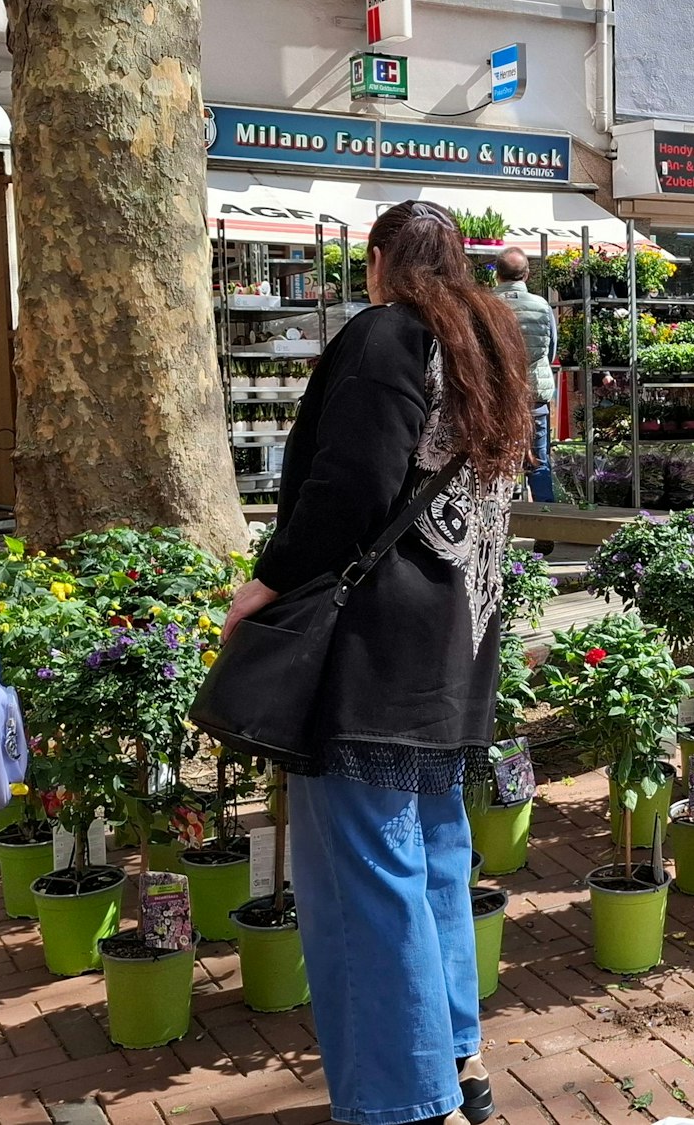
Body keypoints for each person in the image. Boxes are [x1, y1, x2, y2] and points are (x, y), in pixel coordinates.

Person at [225, 201, 531, 1125]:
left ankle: (406, 1102)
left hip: (369, 650)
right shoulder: (490, 342)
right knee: (433, 863)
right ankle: (458, 1062)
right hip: (454, 646)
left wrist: (267, 584)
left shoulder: (387, 333)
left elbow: (350, 484)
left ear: (378, 260)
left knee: (362, 880)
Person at [492, 249, 559, 554]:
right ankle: (545, 529)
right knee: (539, 462)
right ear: (527, 275)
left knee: (496, 463)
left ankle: (496, 529)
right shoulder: (542, 306)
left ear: (497, 274)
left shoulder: (486, 306)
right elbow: (552, 349)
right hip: (534, 396)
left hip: (496, 398)